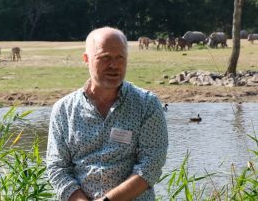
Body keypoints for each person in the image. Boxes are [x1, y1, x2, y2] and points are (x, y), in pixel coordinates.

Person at [46, 26, 168, 201]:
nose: (114, 65)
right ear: (86, 59)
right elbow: (57, 167)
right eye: (105, 58)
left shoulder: (147, 105)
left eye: (120, 58)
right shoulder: (64, 110)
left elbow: (151, 166)